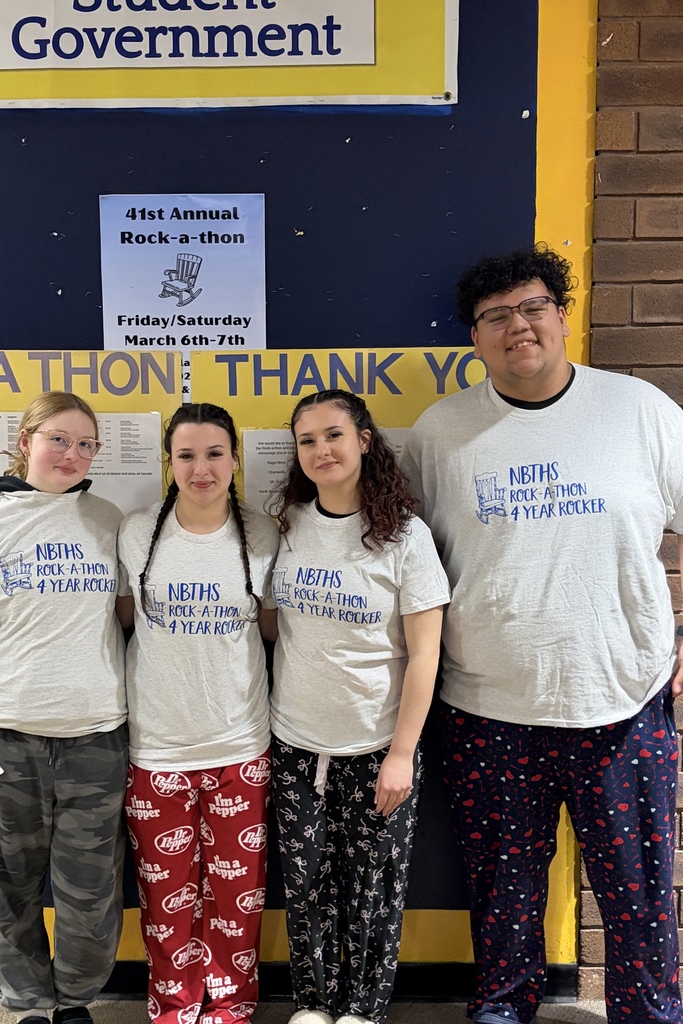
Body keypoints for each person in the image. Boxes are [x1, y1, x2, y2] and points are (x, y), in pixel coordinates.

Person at [400, 245, 683, 1024]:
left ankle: (649, 1014)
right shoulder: (440, 431)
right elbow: (406, 560)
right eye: (496, 317)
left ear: (561, 316)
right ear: (475, 338)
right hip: (487, 706)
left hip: (623, 703)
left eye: (531, 309)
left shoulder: (639, 411)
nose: (517, 327)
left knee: (641, 898)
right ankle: (502, 1011)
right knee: (503, 900)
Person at [0, 391, 128, 1024]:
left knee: (90, 895)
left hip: (96, 739)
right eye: (58, 438)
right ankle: (29, 1005)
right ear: (26, 440)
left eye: (85, 443)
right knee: (7, 887)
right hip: (3, 742)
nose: (72, 454)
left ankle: (75, 1002)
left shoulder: (108, 518)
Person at [268, 389, 449, 1024]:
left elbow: (425, 655)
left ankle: (362, 1011)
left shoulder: (406, 536)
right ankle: (316, 1005)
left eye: (334, 435)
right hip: (295, 744)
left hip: (378, 748)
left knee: (374, 890)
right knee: (307, 884)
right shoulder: (286, 526)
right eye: (307, 440)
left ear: (364, 440)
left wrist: (402, 753)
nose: (321, 449)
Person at [117, 402, 278, 1024]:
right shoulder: (135, 532)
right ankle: (174, 1007)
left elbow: (268, 628)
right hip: (156, 748)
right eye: (186, 454)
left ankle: (230, 1007)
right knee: (165, 900)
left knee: (238, 896)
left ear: (234, 459)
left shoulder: (262, 535)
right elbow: (126, 617)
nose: (201, 467)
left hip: (241, 744)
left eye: (214, 453)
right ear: (170, 462)